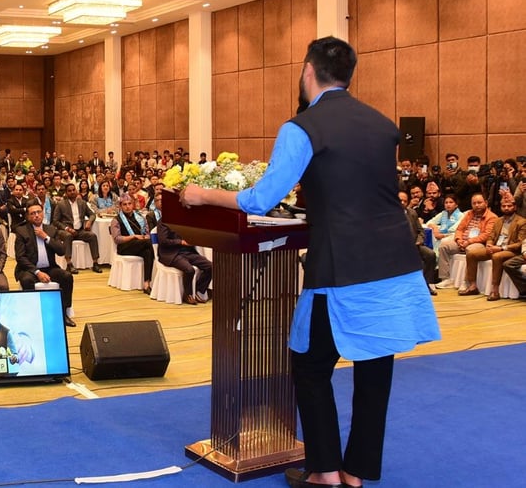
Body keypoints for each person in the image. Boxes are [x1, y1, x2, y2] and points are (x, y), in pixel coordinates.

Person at [179, 37, 439, 488]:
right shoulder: (382, 125)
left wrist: (201, 194)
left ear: (307, 71)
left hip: (343, 269)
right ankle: (355, 473)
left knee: (310, 366)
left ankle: (324, 472)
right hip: (395, 264)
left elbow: (260, 198)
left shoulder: (302, 126)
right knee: (376, 370)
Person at [14, 202, 76, 327]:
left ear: (43, 213)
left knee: (67, 277)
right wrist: (37, 272)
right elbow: (20, 257)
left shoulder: (50, 229)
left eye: (39, 212)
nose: (36, 215)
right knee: (26, 280)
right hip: (29, 269)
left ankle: (63, 313)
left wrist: (46, 237)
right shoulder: (21, 231)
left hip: (50, 268)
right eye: (33, 213)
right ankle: (32, 314)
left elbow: (61, 251)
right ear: (28, 216)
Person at [156, 220, 212, 305]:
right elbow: (163, 241)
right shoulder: (164, 221)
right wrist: (180, 242)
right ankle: (187, 294)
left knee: (210, 266)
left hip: (187, 251)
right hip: (172, 253)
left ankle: (198, 290)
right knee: (189, 269)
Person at [109, 193, 157, 293]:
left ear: (133, 204)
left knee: (148, 252)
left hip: (140, 245)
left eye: (129, 204)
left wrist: (146, 236)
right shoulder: (116, 220)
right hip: (124, 248)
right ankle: (160, 258)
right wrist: (134, 236)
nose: (127, 206)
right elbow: (117, 239)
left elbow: (147, 232)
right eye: (124, 204)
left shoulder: (140, 217)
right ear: (121, 206)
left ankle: (146, 283)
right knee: (148, 243)